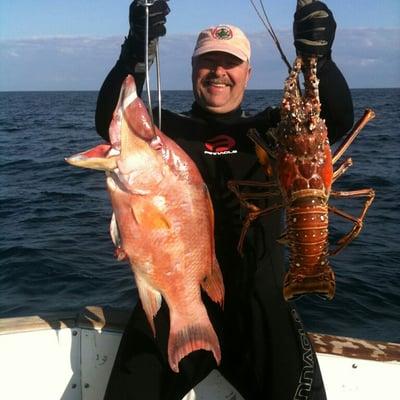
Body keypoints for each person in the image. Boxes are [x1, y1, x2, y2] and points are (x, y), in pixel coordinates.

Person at [95, 1, 354, 399]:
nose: (218, 71)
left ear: (247, 74)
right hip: (177, 302)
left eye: (230, 62)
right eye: (208, 62)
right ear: (193, 70)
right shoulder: (165, 132)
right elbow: (110, 119)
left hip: (260, 307)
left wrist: (319, 56)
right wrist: (137, 47)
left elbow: (336, 119)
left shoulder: (272, 131)